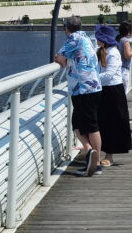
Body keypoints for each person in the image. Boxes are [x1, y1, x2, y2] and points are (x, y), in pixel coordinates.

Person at [54, 16, 103, 176]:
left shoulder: (73, 38)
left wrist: (63, 60)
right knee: (81, 123)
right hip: (93, 86)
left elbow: (59, 58)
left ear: (66, 28)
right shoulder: (87, 37)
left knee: (88, 125)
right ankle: (91, 155)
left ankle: (96, 163)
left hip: (83, 88)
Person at [94, 24, 131, 167]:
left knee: (112, 123)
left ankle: (109, 156)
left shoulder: (113, 53)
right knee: (102, 122)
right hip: (104, 90)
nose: (96, 39)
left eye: (98, 37)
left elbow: (109, 75)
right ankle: (95, 152)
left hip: (113, 91)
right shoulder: (101, 51)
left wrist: (92, 77)